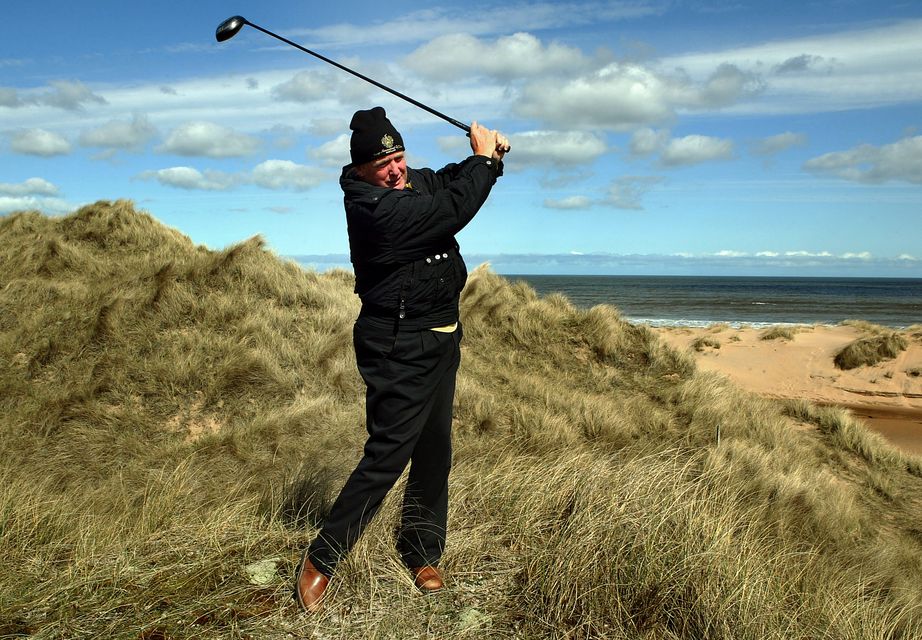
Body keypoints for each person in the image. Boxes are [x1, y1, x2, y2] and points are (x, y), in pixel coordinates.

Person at [294, 106, 509, 612]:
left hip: (441, 335)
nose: (395, 170)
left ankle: (421, 550)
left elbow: (452, 178)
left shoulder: (412, 183)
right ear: (361, 170)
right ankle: (322, 559)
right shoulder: (373, 208)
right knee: (389, 452)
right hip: (397, 342)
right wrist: (483, 162)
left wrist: (489, 159)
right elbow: (452, 209)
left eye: (399, 157)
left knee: (435, 447)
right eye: (383, 164)